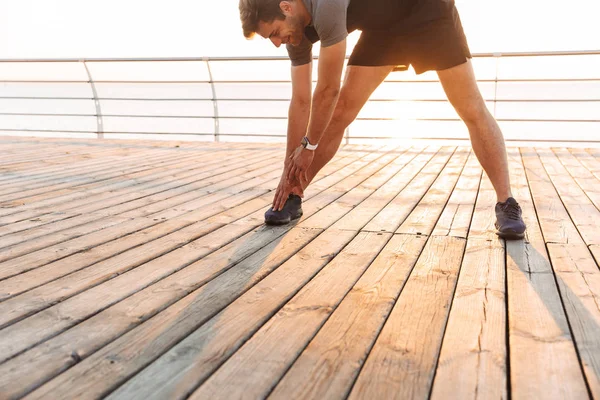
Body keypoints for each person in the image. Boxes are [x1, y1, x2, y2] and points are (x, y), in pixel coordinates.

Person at [238, 0, 527, 240]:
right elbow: (300, 102)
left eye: (275, 33)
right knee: (339, 113)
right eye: (271, 38)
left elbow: (327, 89)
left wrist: (309, 146)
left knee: (471, 109)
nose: (277, 43)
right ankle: (293, 195)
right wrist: (286, 175)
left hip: (426, 10)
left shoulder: (326, 8)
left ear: (286, 6)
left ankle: (507, 203)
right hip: (383, 28)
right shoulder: (295, 34)